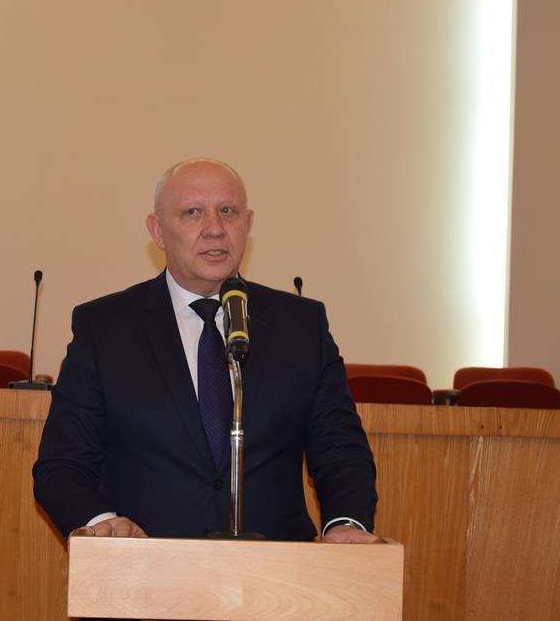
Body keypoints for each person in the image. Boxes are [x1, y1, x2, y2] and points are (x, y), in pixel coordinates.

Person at [33, 158, 379, 543]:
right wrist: (104, 523)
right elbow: (61, 465)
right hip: (144, 566)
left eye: (228, 211)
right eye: (193, 212)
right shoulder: (105, 328)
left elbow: (341, 451)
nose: (215, 229)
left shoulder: (300, 326)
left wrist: (346, 523)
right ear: (157, 231)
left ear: (248, 224)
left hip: (275, 571)